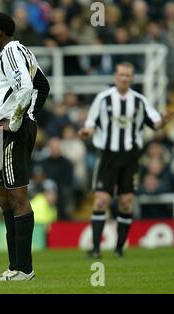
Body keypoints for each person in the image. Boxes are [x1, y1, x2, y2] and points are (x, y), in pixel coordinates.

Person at [79, 62, 173, 258]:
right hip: (108, 156)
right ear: (115, 76)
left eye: (127, 75)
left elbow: (155, 123)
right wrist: (87, 132)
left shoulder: (139, 101)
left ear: (132, 78)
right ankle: (95, 249)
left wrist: (163, 120)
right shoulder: (103, 99)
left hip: (131, 156)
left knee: (126, 202)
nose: (124, 78)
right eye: (121, 74)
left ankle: (119, 249)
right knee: (100, 201)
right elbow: (91, 123)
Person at [0, 12, 50, 281]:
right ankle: (14, 266)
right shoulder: (22, 51)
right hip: (5, 133)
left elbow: (25, 89)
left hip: (11, 132)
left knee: (18, 197)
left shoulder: (11, 51)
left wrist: (17, 121)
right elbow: (43, 86)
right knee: (3, 196)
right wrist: (30, 116)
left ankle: (25, 269)